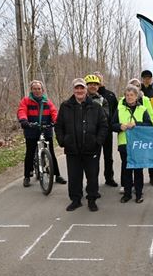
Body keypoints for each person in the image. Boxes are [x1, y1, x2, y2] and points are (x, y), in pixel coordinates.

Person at [55, 78, 108, 212]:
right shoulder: (65, 106)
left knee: (92, 176)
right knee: (74, 177)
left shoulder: (95, 106)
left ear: (85, 90)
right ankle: (76, 200)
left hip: (91, 149)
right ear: (73, 90)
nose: (79, 91)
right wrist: (63, 140)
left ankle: (92, 199)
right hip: (72, 149)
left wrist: (98, 141)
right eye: (77, 88)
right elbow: (59, 126)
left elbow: (103, 126)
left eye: (82, 88)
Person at [17, 79, 66, 188]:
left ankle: (57, 175)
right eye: (35, 89)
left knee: (51, 152)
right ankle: (27, 176)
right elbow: (22, 111)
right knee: (29, 152)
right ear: (31, 90)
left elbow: (54, 112)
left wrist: (56, 121)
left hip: (45, 128)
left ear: (42, 90)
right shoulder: (26, 101)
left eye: (39, 89)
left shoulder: (47, 101)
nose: (37, 91)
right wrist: (24, 120)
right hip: (31, 129)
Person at [112, 84, 153, 203]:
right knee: (127, 170)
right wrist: (120, 126)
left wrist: (137, 124)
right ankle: (127, 194)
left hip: (138, 144)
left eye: (132, 95)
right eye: (127, 95)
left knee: (138, 170)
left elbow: (149, 125)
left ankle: (139, 194)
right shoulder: (120, 109)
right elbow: (112, 125)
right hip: (124, 144)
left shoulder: (142, 109)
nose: (129, 97)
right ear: (124, 96)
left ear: (136, 97)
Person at [92, 72, 119, 187]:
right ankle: (93, 181)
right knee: (94, 158)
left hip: (107, 131)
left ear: (102, 81)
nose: (98, 81)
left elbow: (116, 112)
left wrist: (114, 125)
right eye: (95, 80)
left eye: (99, 79)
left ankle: (109, 178)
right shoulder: (89, 95)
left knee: (108, 157)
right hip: (93, 132)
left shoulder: (110, 95)